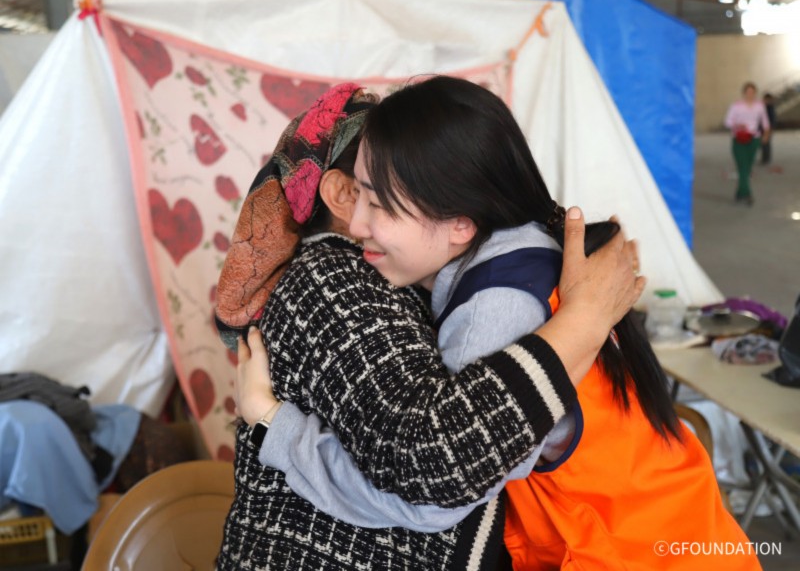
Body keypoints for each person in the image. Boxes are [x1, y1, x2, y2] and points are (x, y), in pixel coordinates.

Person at [240, 77, 759, 570]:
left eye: (378, 203)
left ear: (460, 222)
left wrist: (274, 424)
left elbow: (433, 496)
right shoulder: (522, 253)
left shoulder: (496, 307)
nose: (357, 224)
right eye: (357, 194)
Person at [724, 81, 770, 205]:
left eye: (752, 92)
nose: (750, 94)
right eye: (748, 92)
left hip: (754, 139)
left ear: (755, 93)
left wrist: (766, 135)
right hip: (739, 139)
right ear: (744, 93)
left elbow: (765, 122)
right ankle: (747, 194)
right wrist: (737, 125)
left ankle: (740, 193)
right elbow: (727, 122)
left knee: (747, 168)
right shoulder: (736, 106)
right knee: (743, 166)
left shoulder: (760, 106)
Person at [760, 92, 776, 165]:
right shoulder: (764, 107)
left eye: (766, 99)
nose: (764, 101)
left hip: (767, 128)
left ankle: (765, 159)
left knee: (765, 144)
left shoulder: (769, 107)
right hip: (763, 128)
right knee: (765, 144)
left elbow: (772, 119)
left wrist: (771, 129)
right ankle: (766, 158)